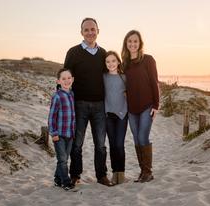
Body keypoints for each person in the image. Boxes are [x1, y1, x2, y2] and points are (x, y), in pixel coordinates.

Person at [64, 17, 113, 186]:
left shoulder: (103, 53)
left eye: (93, 29)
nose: (90, 32)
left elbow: (111, 77)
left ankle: (102, 176)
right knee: (77, 144)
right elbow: (66, 77)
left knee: (100, 144)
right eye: (86, 30)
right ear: (81, 32)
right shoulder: (73, 52)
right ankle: (75, 175)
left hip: (100, 105)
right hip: (79, 105)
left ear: (98, 31)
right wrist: (62, 100)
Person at [121, 30, 159, 183]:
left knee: (143, 137)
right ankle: (142, 172)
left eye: (135, 41)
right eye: (130, 41)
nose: (132, 44)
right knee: (136, 139)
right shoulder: (124, 64)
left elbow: (154, 83)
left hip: (147, 106)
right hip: (131, 108)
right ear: (126, 44)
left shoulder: (148, 60)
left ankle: (148, 172)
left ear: (140, 43)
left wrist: (156, 105)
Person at [48, 68, 75, 191]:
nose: (67, 81)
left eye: (69, 78)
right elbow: (52, 116)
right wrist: (53, 133)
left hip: (70, 134)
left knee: (64, 159)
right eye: (63, 79)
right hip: (59, 134)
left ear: (72, 79)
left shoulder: (72, 95)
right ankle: (66, 181)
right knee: (63, 160)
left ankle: (57, 179)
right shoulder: (57, 96)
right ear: (58, 81)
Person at [103, 51, 128, 185]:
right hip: (108, 115)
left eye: (113, 61)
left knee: (119, 144)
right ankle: (114, 174)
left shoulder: (124, 77)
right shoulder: (103, 77)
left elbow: (131, 94)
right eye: (108, 61)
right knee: (112, 145)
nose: (111, 64)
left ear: (118, 62)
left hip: (122, 115)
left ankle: (121, 173)